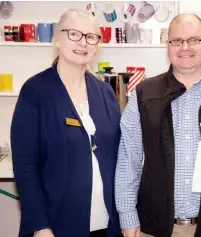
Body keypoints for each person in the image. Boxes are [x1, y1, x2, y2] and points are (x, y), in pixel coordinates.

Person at [115, 13, 201, 237]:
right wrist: (127, 216)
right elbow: (128, 161)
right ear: (167, 45)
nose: (185, 47)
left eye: (194, 40)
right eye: (176, 41)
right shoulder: (143, 94)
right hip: (156, 228)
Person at [11, 9, 121, 237]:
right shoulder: (35, 92)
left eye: (91, 37)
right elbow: (25, 167)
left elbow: (118, 156)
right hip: (56, 226)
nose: (83, 42)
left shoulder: (105, 92)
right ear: (56, 39)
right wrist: (40, 227)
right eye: (73, 34)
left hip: (106, 223)